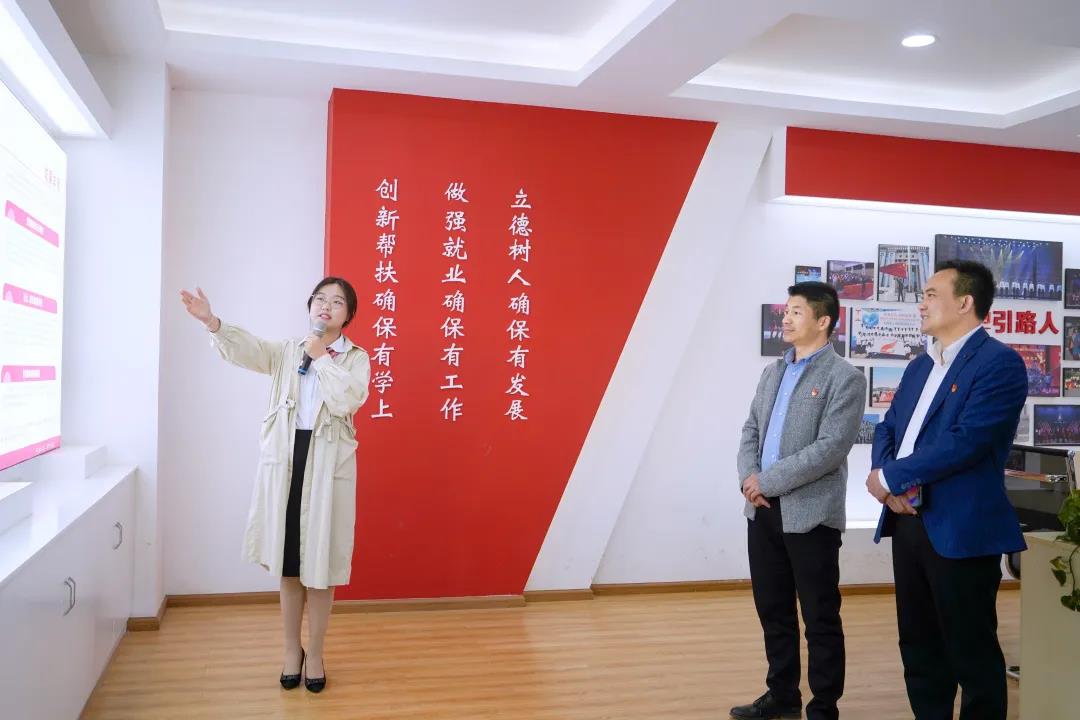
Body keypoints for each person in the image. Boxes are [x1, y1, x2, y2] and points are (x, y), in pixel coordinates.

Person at [180, 278, 370, 693]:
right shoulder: (287, 351)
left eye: (337, 302)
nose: (326, 306)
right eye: (320, 299)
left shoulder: (355, 358)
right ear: (310, 306)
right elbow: (248, 350)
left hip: (327, 465)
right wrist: (212, 321)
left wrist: (321, 359)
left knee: (321, 568)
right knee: (289, 565)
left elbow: (348, 399)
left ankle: (315, 653)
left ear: (348, 315)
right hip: (287, 461)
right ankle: (290, 650)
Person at [866, 260, 1027, 720]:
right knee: (919, 646)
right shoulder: (921, 365)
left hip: (961, 528)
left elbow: (966, 442)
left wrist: (891, 478)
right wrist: (885, 481)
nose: (921, 303)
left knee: (971, 651)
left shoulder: (999, 363)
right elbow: (889, 427)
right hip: (907, 521)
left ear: (965, 302)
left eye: (931, 294)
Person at [733, 281, 866, 720]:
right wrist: (749, 479)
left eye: (795, 312)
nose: (785, 319)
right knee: (773, 610)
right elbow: (751, 430)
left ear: (823, 321)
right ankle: (782, 695)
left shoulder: (844, 378)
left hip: (811, 515)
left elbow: (830, 449)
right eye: (785, 311)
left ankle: (824, 707)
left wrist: (766, 481)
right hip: (762, 512)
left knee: (820, 616)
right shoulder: (772, 372)